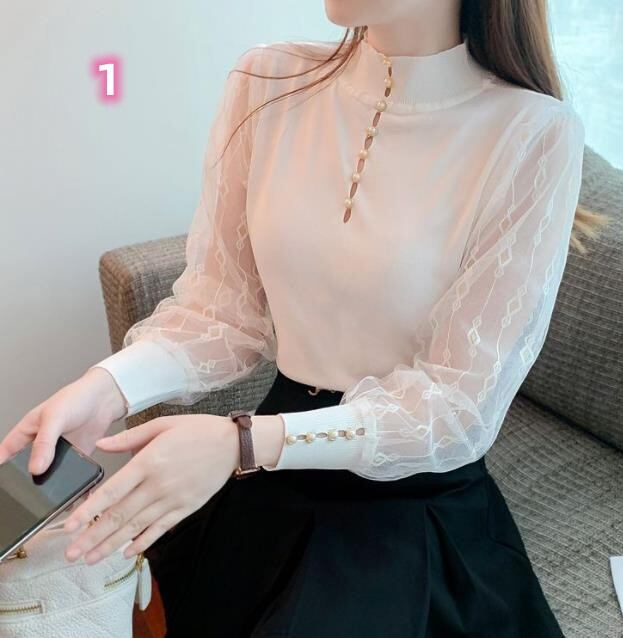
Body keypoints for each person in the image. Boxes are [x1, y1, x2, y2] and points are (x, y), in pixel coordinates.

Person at [0, 1, 608, 636]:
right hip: (270, 476)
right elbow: (222, 310)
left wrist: (241, 444)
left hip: (405, 505)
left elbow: (455, 408)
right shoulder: (267, 82)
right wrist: (108, 387)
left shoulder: (532, 132)